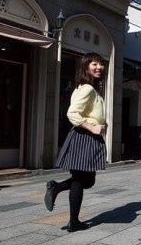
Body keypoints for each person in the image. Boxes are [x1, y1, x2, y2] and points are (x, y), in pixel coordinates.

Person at [44, 53, 107, 232]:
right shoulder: (87, 88)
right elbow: (72, 113)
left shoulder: (85, 88)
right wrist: (92, 127)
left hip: (84, 135)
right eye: (94, 64)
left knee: (88, 180)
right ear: (86, 66)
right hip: (84, 136)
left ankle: (57, 187)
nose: (99, 67)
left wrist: (99, 123)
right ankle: (73, 221)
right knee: (81, 180)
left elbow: (88, 112)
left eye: (101, 64)